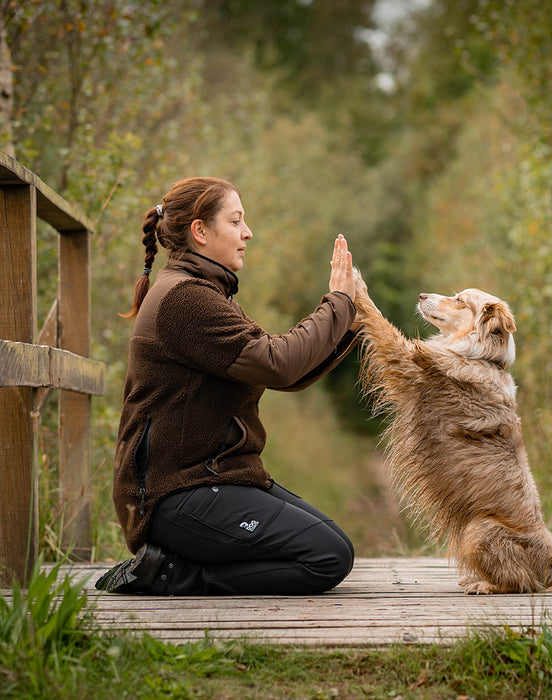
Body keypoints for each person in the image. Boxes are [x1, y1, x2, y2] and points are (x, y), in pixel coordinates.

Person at [96, 176, 358, 596]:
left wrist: (349, 318)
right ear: (200, 231)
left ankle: (178, 563)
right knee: (326, 557)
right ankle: (172, 575)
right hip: (173, 496)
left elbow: (282, 373)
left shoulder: (204, 294)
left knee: (335, 546)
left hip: (209, 480)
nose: (247, 233)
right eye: (236, 221)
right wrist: (338, 303)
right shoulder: (185, 299)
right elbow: (279, 362)